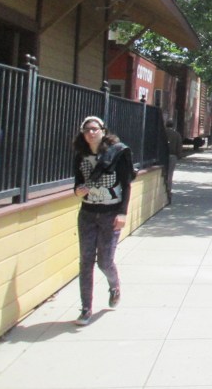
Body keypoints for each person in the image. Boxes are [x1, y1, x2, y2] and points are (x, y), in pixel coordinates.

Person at [72, 116, 133, 326]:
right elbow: (78, 183)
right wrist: (78, 190)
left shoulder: (118, 152)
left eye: (95, 129)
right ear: (83, 133)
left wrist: (123, 213)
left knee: (105, 261)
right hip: (87, 213)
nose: (91, 133)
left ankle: (114, 286)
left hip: (110, 214)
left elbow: (126, 185)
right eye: (87, 129)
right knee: (85, 261)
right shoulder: (81, 156)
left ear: (103, 131)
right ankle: (86, 308)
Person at [164, 120, 183, 203]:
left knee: (164, 172)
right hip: (173, 156)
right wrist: (179, 156)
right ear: (173, 126)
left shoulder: (163, 133)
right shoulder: (177, 135)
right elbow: (179, 146)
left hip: (163, 156)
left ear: (166, 125)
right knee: (170, 174)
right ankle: (168, 190)